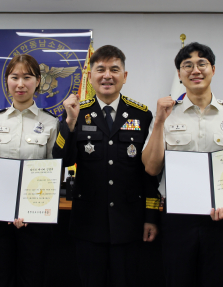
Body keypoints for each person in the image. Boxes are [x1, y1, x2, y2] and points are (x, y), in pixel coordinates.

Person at [142, 42, 223, 286]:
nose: (195, 70)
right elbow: (151, 168)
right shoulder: (166, 115)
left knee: (216, 280)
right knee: (177, 279)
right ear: (179, 74)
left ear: (213, 69)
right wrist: (159, 122)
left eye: (202, 64)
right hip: (177, 217)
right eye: (187, 65)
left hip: (220, 217)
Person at [52, 45, 160, 287]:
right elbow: (61, 160)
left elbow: (149, 172)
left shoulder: (142, 115)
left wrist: (151, 216)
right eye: (100, 70)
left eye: (114, 69)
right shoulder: (76, 112)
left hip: (128, 223)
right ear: (90, 76)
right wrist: (70, 123)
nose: (107, 76)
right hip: (88, 223)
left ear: (125, 76)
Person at [0, 54, 59, 287]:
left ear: (38, 81)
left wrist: (29, 211)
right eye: (14, 77)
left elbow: (51, 173)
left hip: (34, 216)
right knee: (1, 276)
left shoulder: (50, 123)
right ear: (6, 80)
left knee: (33, 277)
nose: (20, 84)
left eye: (27, 77)